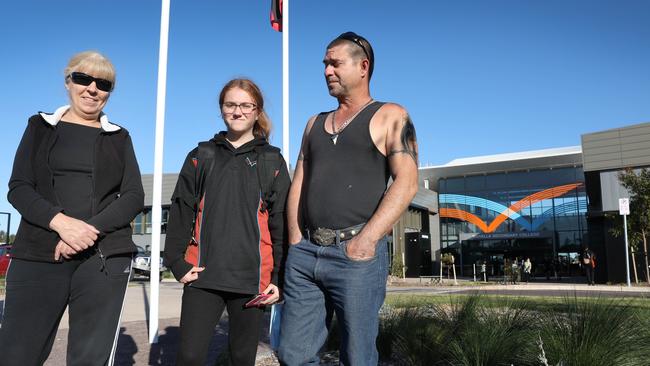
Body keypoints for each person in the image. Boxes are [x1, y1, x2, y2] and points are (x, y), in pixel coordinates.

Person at [278, 31, 419, 365]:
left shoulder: (391, 115)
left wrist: (366, 242)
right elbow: (298, 182)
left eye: (335, 63)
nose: (327, 70)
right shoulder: (313, 123)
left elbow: (407, 181)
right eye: (325, 63)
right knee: (293, 355)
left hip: (355, 257)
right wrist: (296, 240)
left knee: (357, 357)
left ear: (363, 67)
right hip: (306, 254)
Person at [0, 51, 144, 365]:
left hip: (102, 258)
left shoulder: (120, 137)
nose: (92, 88)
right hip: (38, 254)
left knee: (89, 359)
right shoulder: (39, 126)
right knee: (16, 354)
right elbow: (19, 187)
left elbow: (133, 196)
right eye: (83, 79)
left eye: (103, 84)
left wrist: (85, 232)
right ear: (69, 82)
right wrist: (63, 225)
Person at [163, 78, 290, 366]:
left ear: (257, 111)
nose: (237, 111)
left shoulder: (272, 160)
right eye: (230, 104)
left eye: (246, 105)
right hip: (203, 277)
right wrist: (176, 262)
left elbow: (281, 222)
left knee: (241, 358)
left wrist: (278, 278)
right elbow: (181, 210)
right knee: (190, 357)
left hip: (251, 280)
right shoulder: (201, 155)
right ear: (222, 109)